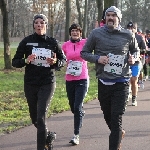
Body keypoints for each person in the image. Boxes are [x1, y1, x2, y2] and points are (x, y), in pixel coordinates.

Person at [80, 6, 140, 150]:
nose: (111, 18)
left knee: (116, 117)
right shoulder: (96, 34)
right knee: (108, 116)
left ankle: (115, 140)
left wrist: (134, 59)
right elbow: (84, 53)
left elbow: (136, 51)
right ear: (105, 18)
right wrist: (97, 58)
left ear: (119, 19)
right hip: (104, 81)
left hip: (122, 81)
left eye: (114, 15)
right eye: (108, 15)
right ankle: (118, 133)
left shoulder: (128, 35)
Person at [12, 14, 66, 150]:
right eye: (36, 22)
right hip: (30, 83)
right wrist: (26, 60)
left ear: (46, 25)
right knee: (35, 118)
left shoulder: (53, 42)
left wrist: (55, 62)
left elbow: (63, 60)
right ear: (33, 25)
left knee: (41, 116)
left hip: (47, 82)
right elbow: (15, 62)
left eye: (42, 22)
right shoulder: (26, 41)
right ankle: (48, 137)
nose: (39, 25)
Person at [62, 23, 89, 145]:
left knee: (77, 106)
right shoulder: (65, 45)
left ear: (80, 33)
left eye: (77, 31)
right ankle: (80, 113)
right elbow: (61, 59)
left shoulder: (85, 43)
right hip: (69, 79)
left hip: (82, 79)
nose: (75, 33)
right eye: (73, 31)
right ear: (70, 33)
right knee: (73, 107)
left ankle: (76, 135)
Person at [127, 22, 146, 106]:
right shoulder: (124, 37)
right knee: (127, 81)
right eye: (129, 28)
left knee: (134, 80)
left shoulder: (139, 37)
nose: (130, 29)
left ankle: (134, 98)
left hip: (136, 62)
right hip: (126, 62)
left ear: (135, 29)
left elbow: (144, 48)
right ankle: (127, 95)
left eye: (132, 28)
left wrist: (139, 54)